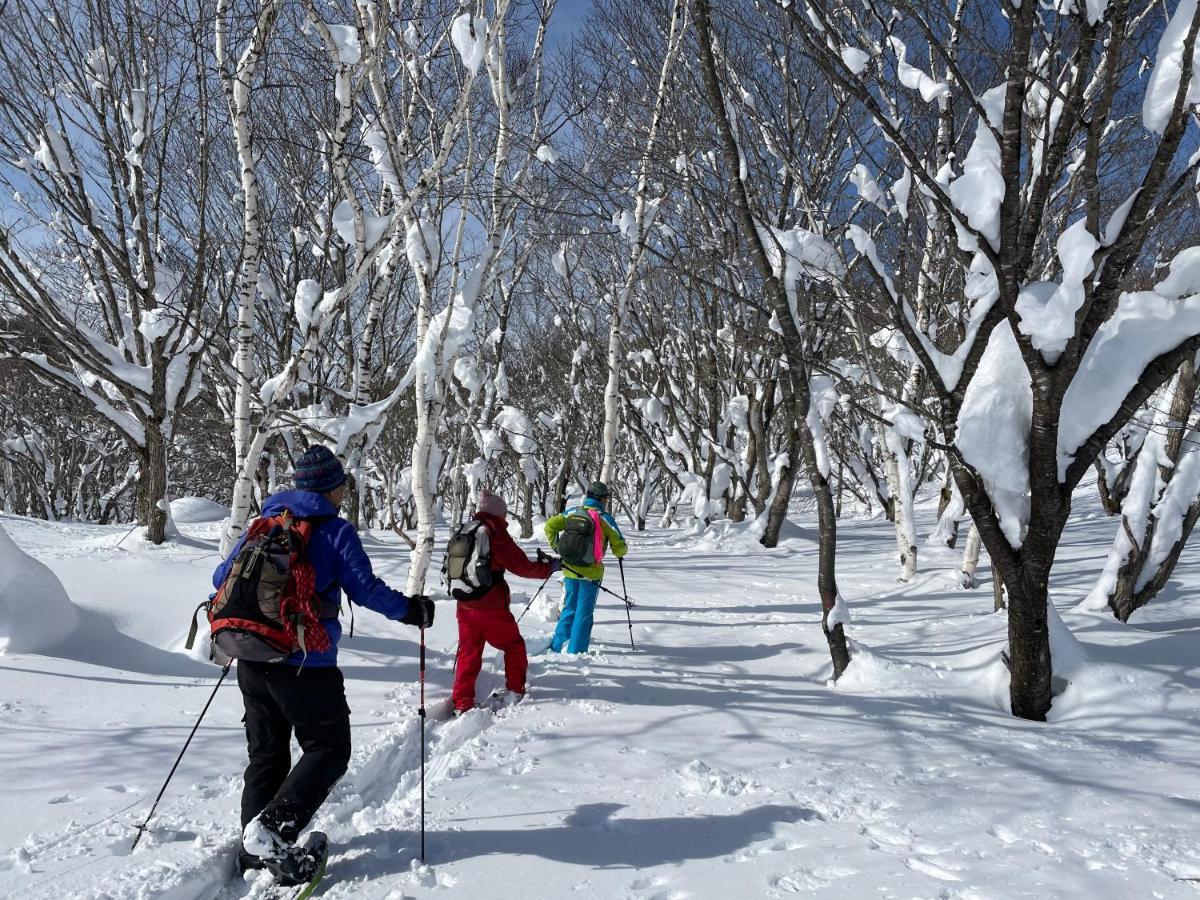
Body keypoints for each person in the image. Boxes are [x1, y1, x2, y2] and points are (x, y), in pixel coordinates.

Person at [212, 445, 434, 883]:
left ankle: (256, 850)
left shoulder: (265, 522)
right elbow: (365, 589)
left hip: (252, 657)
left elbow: (221, 578)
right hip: (304, 664)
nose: (342, 494)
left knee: (267, 754)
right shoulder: (334, 531)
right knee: (329, 749)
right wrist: (411, 611)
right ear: (331, 488)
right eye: (341, 486)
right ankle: (271, 832)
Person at [451, 489, 559, 715]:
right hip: (490, 606)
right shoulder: (495, 531)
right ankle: (515, 690)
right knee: (514, 646)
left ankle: (462, 702)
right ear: (498, 513)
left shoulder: (467, 529)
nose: (505, 518)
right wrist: (549, 568)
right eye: (504, 514)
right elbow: (521, 566)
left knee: (469, 652)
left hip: (464, 603)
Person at [544, 481, 627, 653]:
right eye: (605, 498)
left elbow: (550, 526)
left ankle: (558, 644)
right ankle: (576, 651)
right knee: (584, 613)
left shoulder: (573, 512)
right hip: (591, 573)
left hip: (570, 569)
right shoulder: (604, 518)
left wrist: (557, 547)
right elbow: (620, 546)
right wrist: (619, 552)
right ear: (601, 499)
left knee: (569, 608)